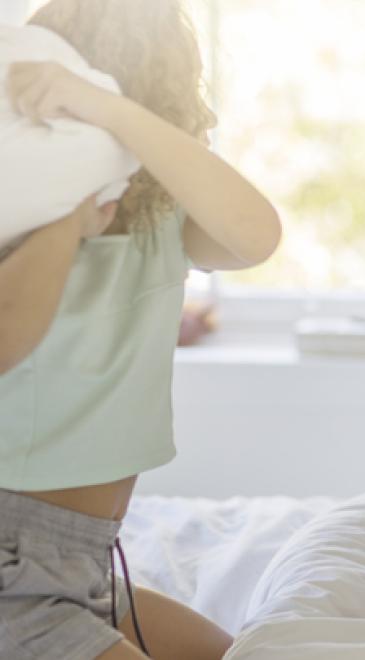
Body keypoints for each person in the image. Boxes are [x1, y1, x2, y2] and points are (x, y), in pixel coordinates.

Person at [0, 1, 281, 658]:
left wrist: (115, 117)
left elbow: (255, 236)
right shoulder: (26, 222)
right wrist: (66, 223)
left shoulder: (161, 223)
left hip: (81, 564)